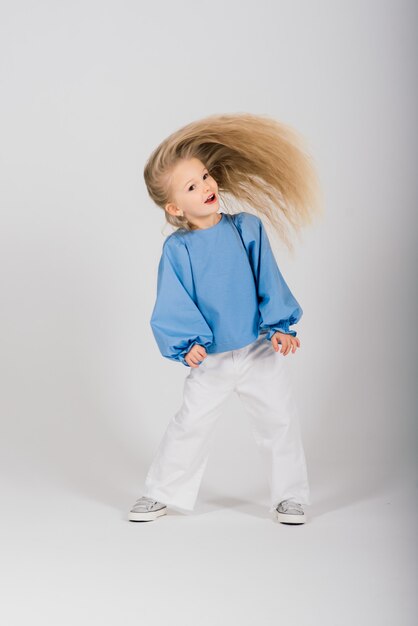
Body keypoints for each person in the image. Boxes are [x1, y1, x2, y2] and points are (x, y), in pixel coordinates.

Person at [128, 113, 323, 525]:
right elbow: (174, 301)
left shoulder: (246, 229)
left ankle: (289, 496)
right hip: (213, 358)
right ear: (174, 206)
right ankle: (161, 491)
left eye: (205, 176)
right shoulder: (178, 251)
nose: (206, 186)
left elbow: (267, 278)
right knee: (190, 423)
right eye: (192, 186)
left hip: (257, 350)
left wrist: (281, 327)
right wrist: (188, 344)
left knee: (279, 418)